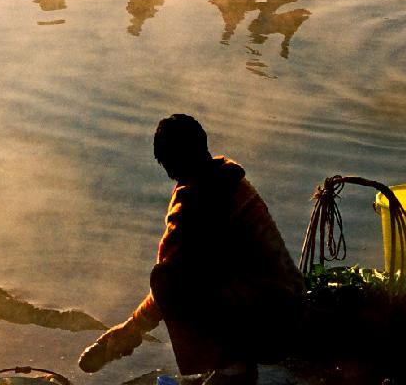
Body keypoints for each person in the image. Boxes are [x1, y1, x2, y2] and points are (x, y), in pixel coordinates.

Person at [79, 115, 304, 382]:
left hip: (272, 323)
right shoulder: (229, 179)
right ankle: (231, 365)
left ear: (168, 163)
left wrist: (130, 330)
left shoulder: (196, 206)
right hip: (291, 303)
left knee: (167, 280)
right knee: (191, 275)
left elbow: (169, 284)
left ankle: (231, 370)